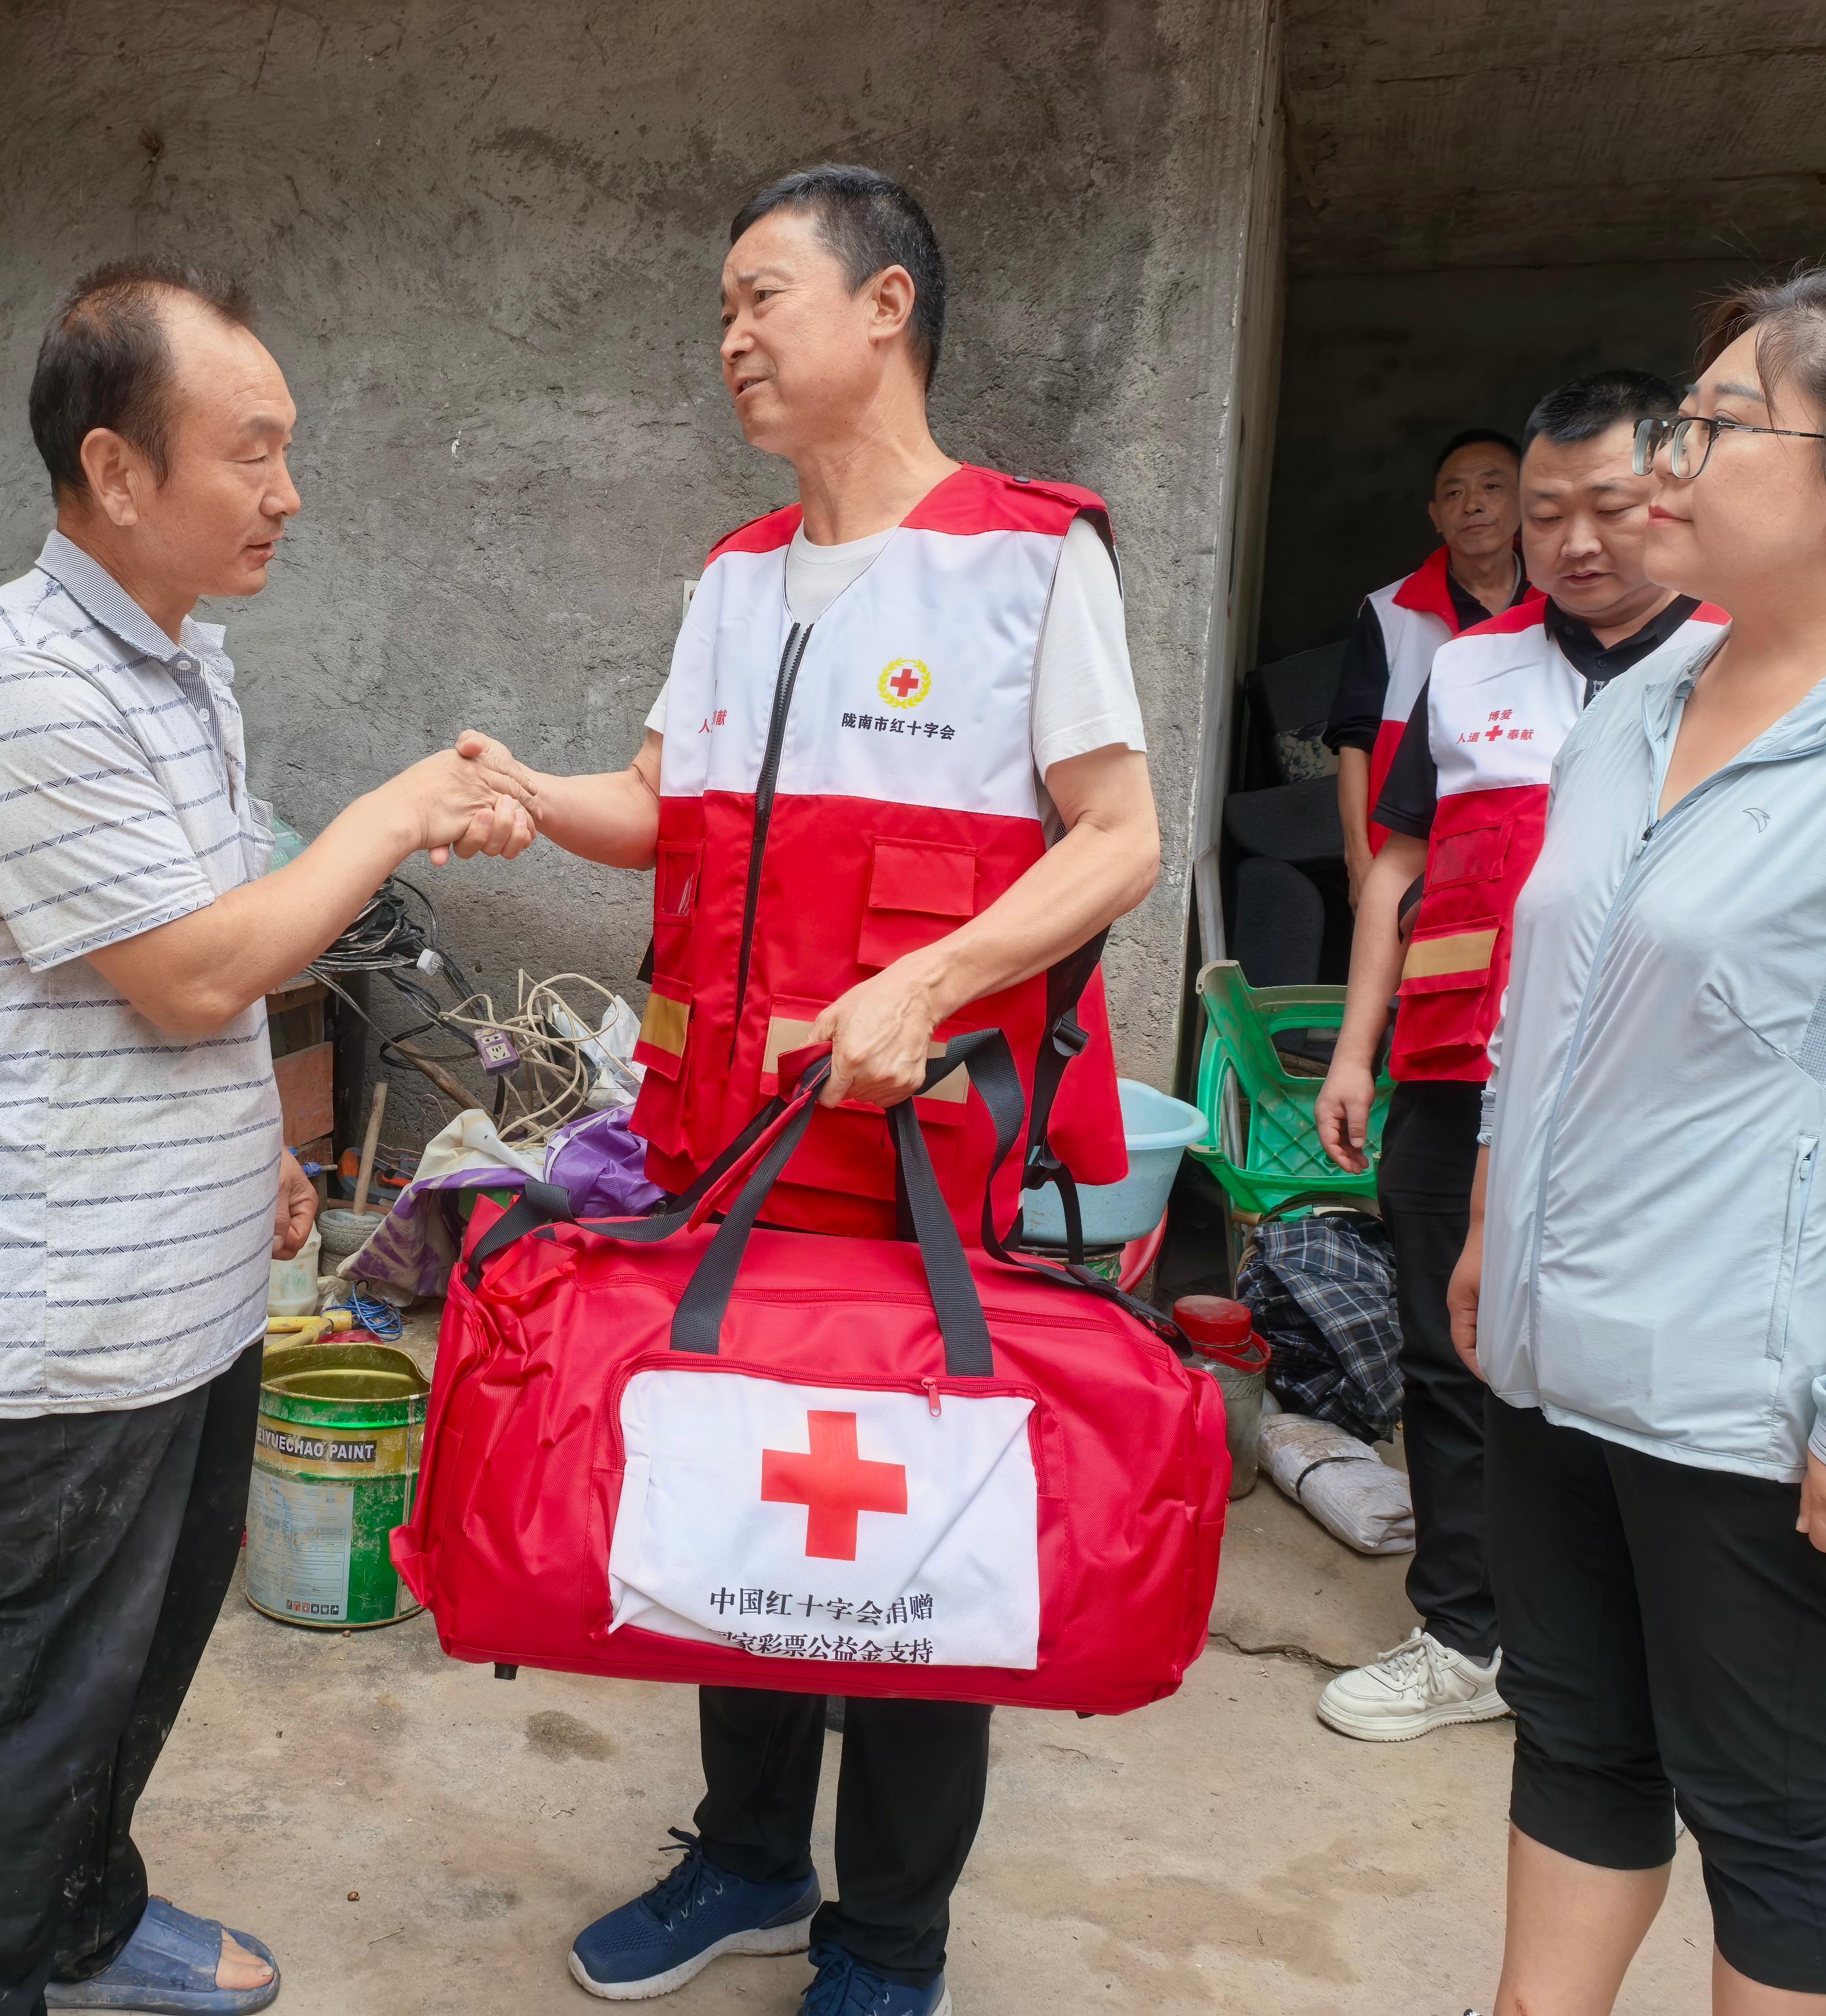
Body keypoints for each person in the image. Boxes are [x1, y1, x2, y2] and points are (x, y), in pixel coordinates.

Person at [459, 166, 1159, 2016]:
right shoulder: (735, 577)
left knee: (914, 1546)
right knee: (738, 1515)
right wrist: (530, 790)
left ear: (888, 307)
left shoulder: (1031, 557)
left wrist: (927, 981)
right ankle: (756, 1862)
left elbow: (1121, 839)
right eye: (721, 309)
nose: (734, 338)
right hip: (724, 1154)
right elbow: (659, 812)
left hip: (919, 1170)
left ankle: (890, 1939)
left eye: (764, 294)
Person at [0, 261, 531, 2016]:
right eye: (251, 452)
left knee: (147, 1648)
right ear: (115, 473)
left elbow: (224, 945)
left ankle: (84, 1926)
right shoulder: (10, 677)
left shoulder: (182, 673)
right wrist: (393, 810)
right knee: (38, 1686)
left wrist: (264, 1149)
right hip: (70, 1295)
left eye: (288, 448)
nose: (287, 492)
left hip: (180, 1271)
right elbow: (189, 973)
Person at [1451, 267, 1826, 2013]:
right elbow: (1536, 1010)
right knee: (1575, 1741)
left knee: (1774, 1814)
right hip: (1559, 1351)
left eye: (1718, 427)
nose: (1665, 466)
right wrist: (1492, 1232)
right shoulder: (1640, 697)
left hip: (1752, 1400)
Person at [1312, 369, 1716, 1746]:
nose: (1574, 539)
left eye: (1605, 504)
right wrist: (1351, 1051)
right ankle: (1465, 1633)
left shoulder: (1738, 657)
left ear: (1670, 495)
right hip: (1447, 1070)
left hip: (1652, 1089)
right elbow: (1395, 865)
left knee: (1633, 1360)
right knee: (1447, 1356)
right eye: (1545, 515)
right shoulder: (1464, 666)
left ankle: (1631, 1653)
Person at [1323, 430, 1526, 900]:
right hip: (1409, 857)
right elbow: (1355, 740)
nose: (1472, 504)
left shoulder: (1561, 606)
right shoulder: (1389, 611)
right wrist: (1359, 862)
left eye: (1492, 487)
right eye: (1454, 493)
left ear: (1526, 501)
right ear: (1436, 517)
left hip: (1525, 848)